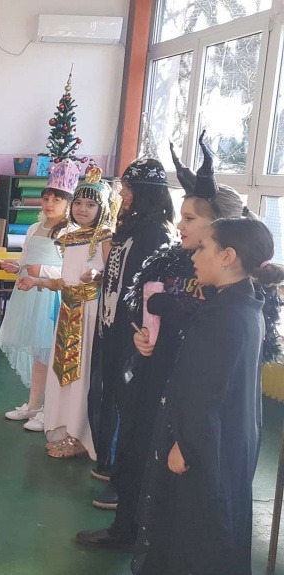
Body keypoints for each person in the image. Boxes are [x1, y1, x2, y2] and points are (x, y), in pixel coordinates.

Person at [77, 134, 248, 550]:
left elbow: (204, 329)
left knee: (166, 467)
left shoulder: (225, 282)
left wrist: (165, 306)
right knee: (135, 448)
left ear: (219, 228)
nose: (180, 225)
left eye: (190, 218)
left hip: (184, 389)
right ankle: (125, 528)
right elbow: (141, 300)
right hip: (152, 375)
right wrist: (140, 331)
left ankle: (151, 539)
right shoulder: (174, 257)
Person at [132, 217, 283, 574]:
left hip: (204, 445)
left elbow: (209, 389)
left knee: (194, 533)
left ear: (227, 256)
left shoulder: (226, 315)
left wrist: (186, 444)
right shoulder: (240, 302)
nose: (194, 255)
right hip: (222, 439)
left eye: (203, 248)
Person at [90, 158, 175, 509]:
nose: (122, 193)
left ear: (144, 192)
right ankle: (112, 466)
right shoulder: (131, 226)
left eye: (128, 188)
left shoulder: (155, 233)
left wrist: (140, 332)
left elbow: (149, 291)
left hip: (133, 336)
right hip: (113, 328)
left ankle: (125, 484)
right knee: (111, 397)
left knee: (130, 409)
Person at [16, 165, 114, 460]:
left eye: (90, 204)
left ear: (102, 208)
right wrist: (37, 282)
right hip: (68, 311)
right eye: (79, 203)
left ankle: (82, 436)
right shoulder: (70, 238)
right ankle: (65, 430)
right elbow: (64, 281)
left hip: (90, 314)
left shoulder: (105, 238)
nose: (83, 209)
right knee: (64, 375)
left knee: (83, 375)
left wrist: (97, 276)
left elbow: (111, 277)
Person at [0, 160, 75, 431]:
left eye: (57, 199)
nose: (49, 204)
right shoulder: (34, 228)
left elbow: (71, 271)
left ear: (68, 203)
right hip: (30, 294)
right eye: (46, 199)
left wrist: (41, 270)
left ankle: (50, 410)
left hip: (51, 296)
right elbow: (26, 259)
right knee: (38, 354)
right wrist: (17, 267)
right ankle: (34, 405)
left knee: (52, 353)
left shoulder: (70, 232)